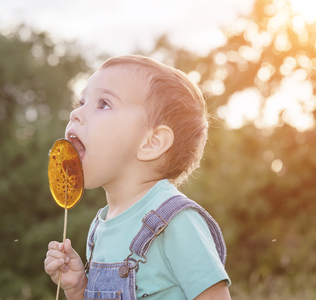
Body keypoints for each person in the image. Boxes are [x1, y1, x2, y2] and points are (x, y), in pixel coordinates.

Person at [44, 55, 231, 300]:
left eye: (103, 104)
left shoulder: (175, 221)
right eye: (80, 102)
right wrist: (79, 288)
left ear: (152, 143)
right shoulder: (99, 227)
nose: (76, 114)